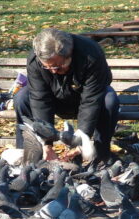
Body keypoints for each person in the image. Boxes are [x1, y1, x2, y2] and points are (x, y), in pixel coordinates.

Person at [14, 28, 119, 165]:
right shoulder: (35, 60)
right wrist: (47, 143)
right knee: (21, 98)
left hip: (88, 99)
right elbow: (40, 98)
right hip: (55, 100)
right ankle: (28, 156)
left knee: (109, 100)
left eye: (58, 66)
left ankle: (101, 156)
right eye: (48, 67)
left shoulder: (90, 54)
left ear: (70, 54)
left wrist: (82, 138)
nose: (53, 71)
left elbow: (91, 98)